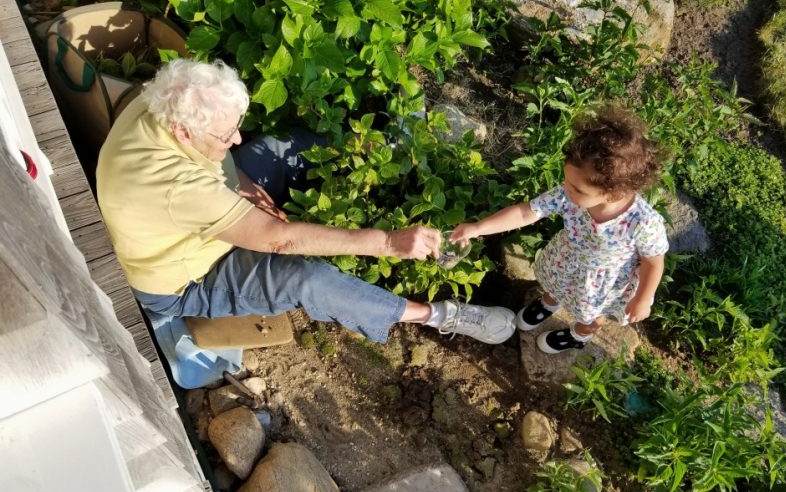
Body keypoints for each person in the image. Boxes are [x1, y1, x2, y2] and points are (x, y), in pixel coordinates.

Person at [96, 58, 516, 353]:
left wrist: (240, 183)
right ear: (182, 132)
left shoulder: (161, 100)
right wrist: (388, 243)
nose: (236, 140)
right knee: (305, 278)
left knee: (279, 149)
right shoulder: (174, 185)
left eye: (234, 128)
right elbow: (279, 241)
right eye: (226, 137)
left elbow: (221, 159)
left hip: (190, 221)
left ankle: (389, 147)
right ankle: (437, 316)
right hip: (186, 279)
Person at [452, 105, 668, 354]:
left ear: (613, 194)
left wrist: (642, 298)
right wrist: (478, 227)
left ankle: (579, 335)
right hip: (566, 261)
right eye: (566, 181)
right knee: (555, 285)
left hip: (602, 286)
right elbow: (527, 212)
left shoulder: (643, 222)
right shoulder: (570, 194)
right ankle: (548, 303)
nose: (566, 189)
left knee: (592, 316)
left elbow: (653, 262)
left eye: (576, 189)